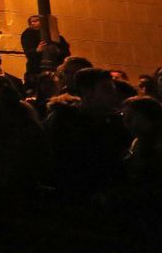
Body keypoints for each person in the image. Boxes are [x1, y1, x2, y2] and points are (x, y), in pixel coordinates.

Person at [44, 66, 129, 203]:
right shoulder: (63, 121)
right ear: (87, 92)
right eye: (106, 89)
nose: (113, 94)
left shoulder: (115, 123)